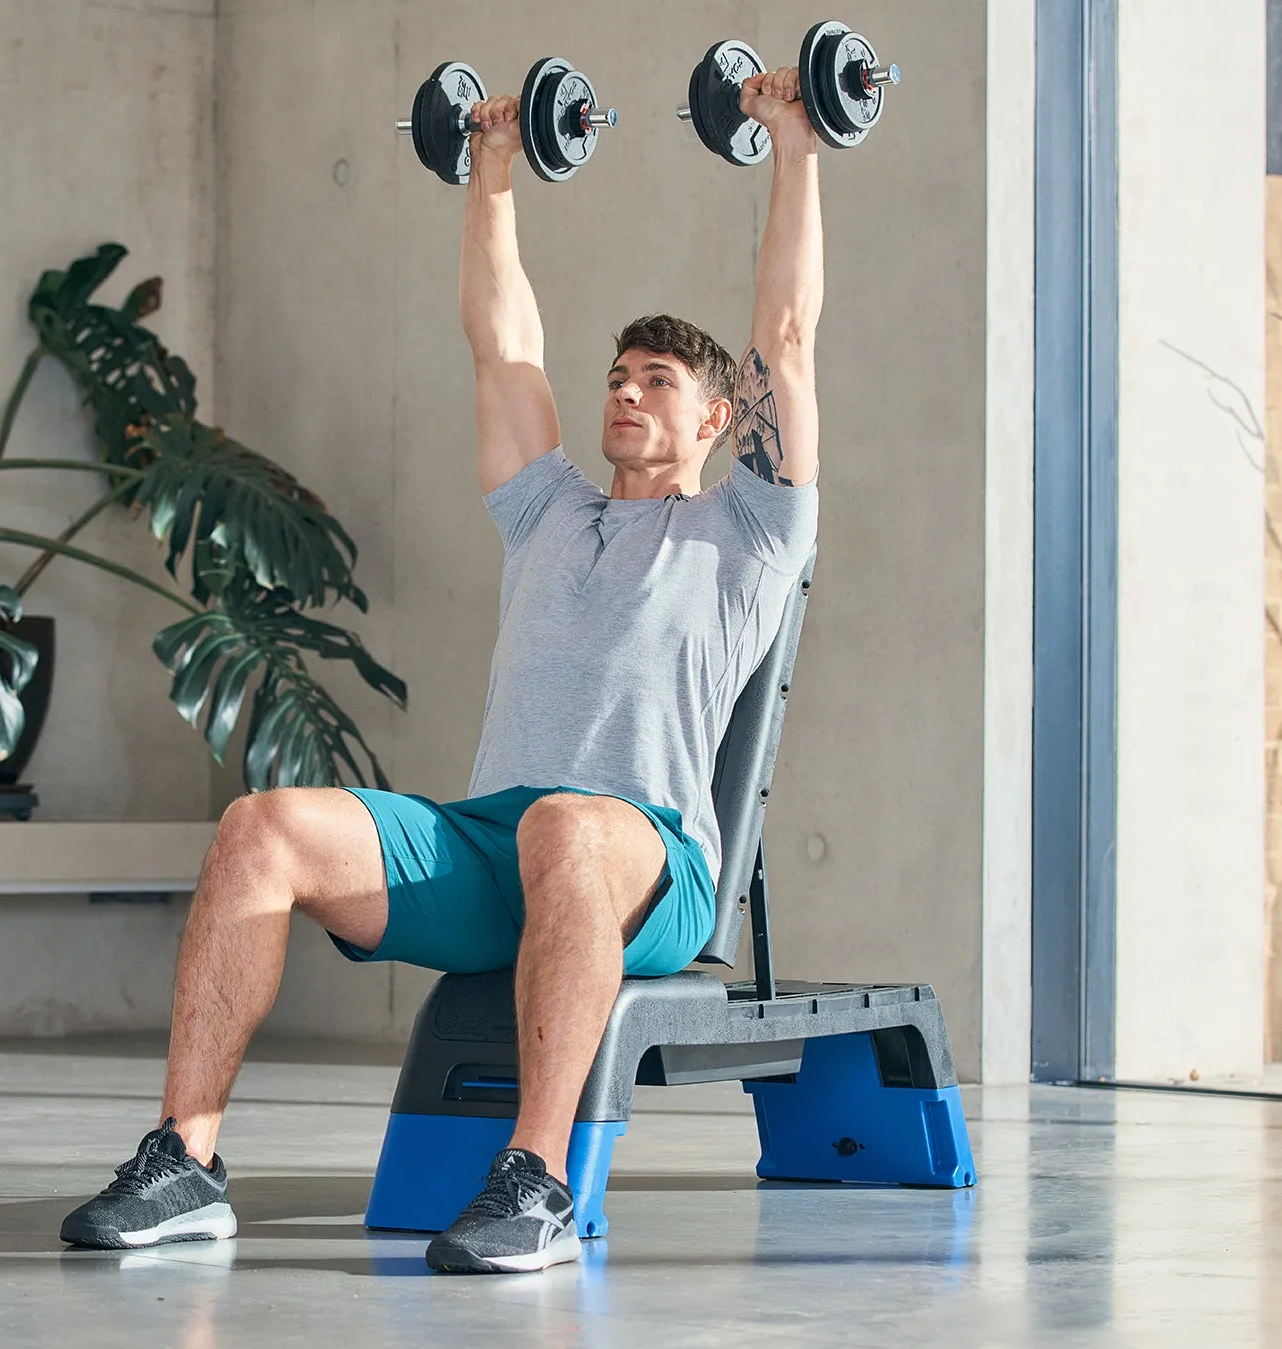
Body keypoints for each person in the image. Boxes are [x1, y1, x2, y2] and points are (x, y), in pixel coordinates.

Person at [59, 64, 821, 1273]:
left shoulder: (750, 534)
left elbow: (784, 332)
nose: (623, 391)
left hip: (644, 858)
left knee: (571, 826)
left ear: (720, 417)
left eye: (657, 382)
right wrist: (493, 169)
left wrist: (793, 147)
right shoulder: (547, 513)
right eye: (617, 376)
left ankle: (535, 1182)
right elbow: (501, 338)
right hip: (494, 848)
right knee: (263, 827)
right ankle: (186, 1161)